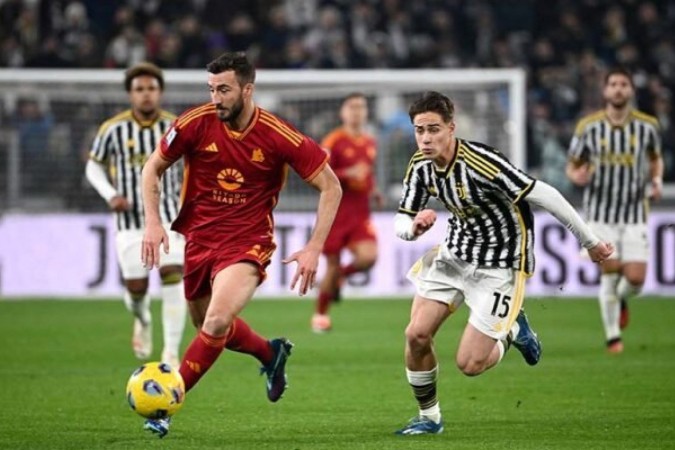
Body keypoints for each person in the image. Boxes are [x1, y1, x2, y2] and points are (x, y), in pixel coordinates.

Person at [140, 51, 342, 438]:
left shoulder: (278, 134)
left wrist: (315, 246)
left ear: (247, 90)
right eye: (211, 89)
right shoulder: (194, 123)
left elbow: (331, 185)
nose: (216, 98)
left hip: (248, 241)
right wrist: (153, 221)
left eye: (224, 90)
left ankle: (166, 403)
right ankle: (270, 353)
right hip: (199, 240)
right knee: (207, 326)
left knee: (215, 322)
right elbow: (153, 167)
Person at [393, 91, 613, 435]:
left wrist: (590, 241)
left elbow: (545, 194)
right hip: (454, 255)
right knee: (416, 334)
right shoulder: (420, 166)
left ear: (451, 128)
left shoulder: (482, 163)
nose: (425, 138)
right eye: (419, 130)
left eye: (433, 129)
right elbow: (401, 219)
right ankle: (429, 418)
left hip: (500, 264)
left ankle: (513, 330)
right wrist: (412, 229)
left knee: (470, 364)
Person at [85, 62, 187, 368]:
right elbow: (93, 166)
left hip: (169, 216)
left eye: (151, 89)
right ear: (130, 94)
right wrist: (110, 194)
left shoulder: (176, 127)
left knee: (173, 275)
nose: (146, 95)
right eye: (139, 89)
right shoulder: (113, 129)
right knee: (137, 289)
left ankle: (170, 350)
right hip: (130, 223)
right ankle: (142, 319)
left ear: (160, 92)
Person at [566, 67, 663, 354]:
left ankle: (621, 300)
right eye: (613, 84)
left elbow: (655, 160)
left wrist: (656, 181)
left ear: (631, 90)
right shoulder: (588, 127)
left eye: (624, 84)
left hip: (634, 213)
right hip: (600, 213)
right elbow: (572, 164)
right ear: (605, 91)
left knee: (635, 279)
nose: (618, 89)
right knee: (610, 270)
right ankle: (613, 338)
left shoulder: (648, 126)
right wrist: (576, 176)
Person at [311, 92, 383, 333]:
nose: (357, 111)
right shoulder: (333, 140)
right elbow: (319, 175)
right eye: (352, 107)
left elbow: (367, 173)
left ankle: (340, 277)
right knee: (331, 264)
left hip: (360, 211)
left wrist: (374, 190)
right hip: (335, 211)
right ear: (343, 112)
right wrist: (346, 174)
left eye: (361, 107)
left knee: (368, 257)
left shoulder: (370, 141)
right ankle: (320, 316)